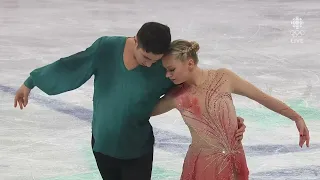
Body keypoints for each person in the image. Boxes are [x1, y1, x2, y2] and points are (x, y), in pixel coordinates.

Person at [13, 22, 247, 180]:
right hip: (103, 144)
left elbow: (197, 91)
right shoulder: (107, 47)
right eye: (145, 57)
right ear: (135, 41)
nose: (149, 64)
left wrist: (227, 119)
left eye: (154, 61)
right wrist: (31, 81)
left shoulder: (164, 67)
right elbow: (71, 65)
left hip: (137, 149)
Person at [151, 39, 310, 180]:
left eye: (171, 69)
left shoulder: (223, 77)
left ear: (190, 63)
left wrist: (296, 117)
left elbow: (262, 97)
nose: (167, 75)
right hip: (203, 166)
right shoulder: (177, 96)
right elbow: (141, 113)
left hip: (234, 160)